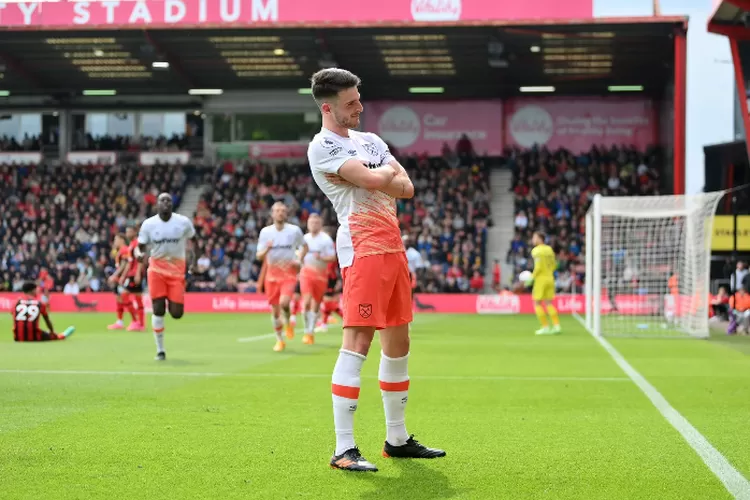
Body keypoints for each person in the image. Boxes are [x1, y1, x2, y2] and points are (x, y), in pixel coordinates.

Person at [307, 67, 444, 472]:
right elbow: (375, 179)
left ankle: (397, 439)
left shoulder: (369, 140)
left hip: (393, 248)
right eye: (351, 104)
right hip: (362, 250)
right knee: (358, 343)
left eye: (359, 99)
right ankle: (343, 448)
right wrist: (381, 176)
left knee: (398, 345)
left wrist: (377, 178)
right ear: (328, 107)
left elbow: (407, 186)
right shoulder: (322, 146)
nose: (360, 108)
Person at [136, 193, 197, 361]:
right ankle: (160, 350)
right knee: (158, 309)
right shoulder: (149, 224)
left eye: (168, 200)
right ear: (157, 204)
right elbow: (139, 247)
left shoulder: (183, 222)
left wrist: (195, 262)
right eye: (162, 200)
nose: (165, 203)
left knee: (177, 313)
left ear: (172, 204)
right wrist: (139, 254)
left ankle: (171, 301)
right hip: (156, 269)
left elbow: (195, 240)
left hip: (177, 270)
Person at [256, 201, 306, 352]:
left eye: (283, 210)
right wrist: (267, 249)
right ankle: (279, 340)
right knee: (275, 310)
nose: (280, 213)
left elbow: (304, 246)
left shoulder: (294, 231)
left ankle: (288, 320)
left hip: (288, 274)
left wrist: (299, 260)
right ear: (272, 214)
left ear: (286, 214)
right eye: (277, 210)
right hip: (271, 276)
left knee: (284, 303)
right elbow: (259, 256)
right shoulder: (265, 232)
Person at [298, 213, 337, 344]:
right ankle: (307, 331)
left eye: (316, 222)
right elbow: (298, 255)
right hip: (306, 273)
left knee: (316, 304)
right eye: (311, 222)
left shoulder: (326, 239)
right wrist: (300, 257)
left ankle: (310, 331)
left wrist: (321, 258)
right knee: (307, 301)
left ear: (320, 224)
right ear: (308, 224)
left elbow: (332, 257)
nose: (313, 224)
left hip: (321, 275)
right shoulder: (304, 239)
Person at [525, 231, 561, 335]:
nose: (533, 239)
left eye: (534, 237)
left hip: (541, 280)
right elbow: (554, 265)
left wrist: (532, 277)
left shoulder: (536, 251)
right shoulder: (549, 249)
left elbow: (538, 267)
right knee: (549, 303)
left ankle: (545, 327)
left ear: (540, 239)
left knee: (537, 303)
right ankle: (557, 326)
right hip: (550, 278)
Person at [107, 233, 138, 331]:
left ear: (122, 240)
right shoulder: (120, 250)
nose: (115, 242)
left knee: (125, 298)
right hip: (120, 278)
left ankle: (135, 321)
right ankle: (120, 322)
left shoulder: (125, 249)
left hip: (123, 278)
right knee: (119, 299)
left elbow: (124, 265)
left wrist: (116, 276)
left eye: (116, 240)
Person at [122, 225, 146, 331]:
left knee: (125, 295)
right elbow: (129, 262)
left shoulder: (136, 244)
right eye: (127, 232)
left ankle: (137, 322)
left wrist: (137, 274)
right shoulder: (131, 244)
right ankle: (139, 323)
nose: (128, 234)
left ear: (135, 233)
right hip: (131, 274)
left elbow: (140, 259)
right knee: (136, 298)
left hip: (135, 274)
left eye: (130, 232)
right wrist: (124, 275)